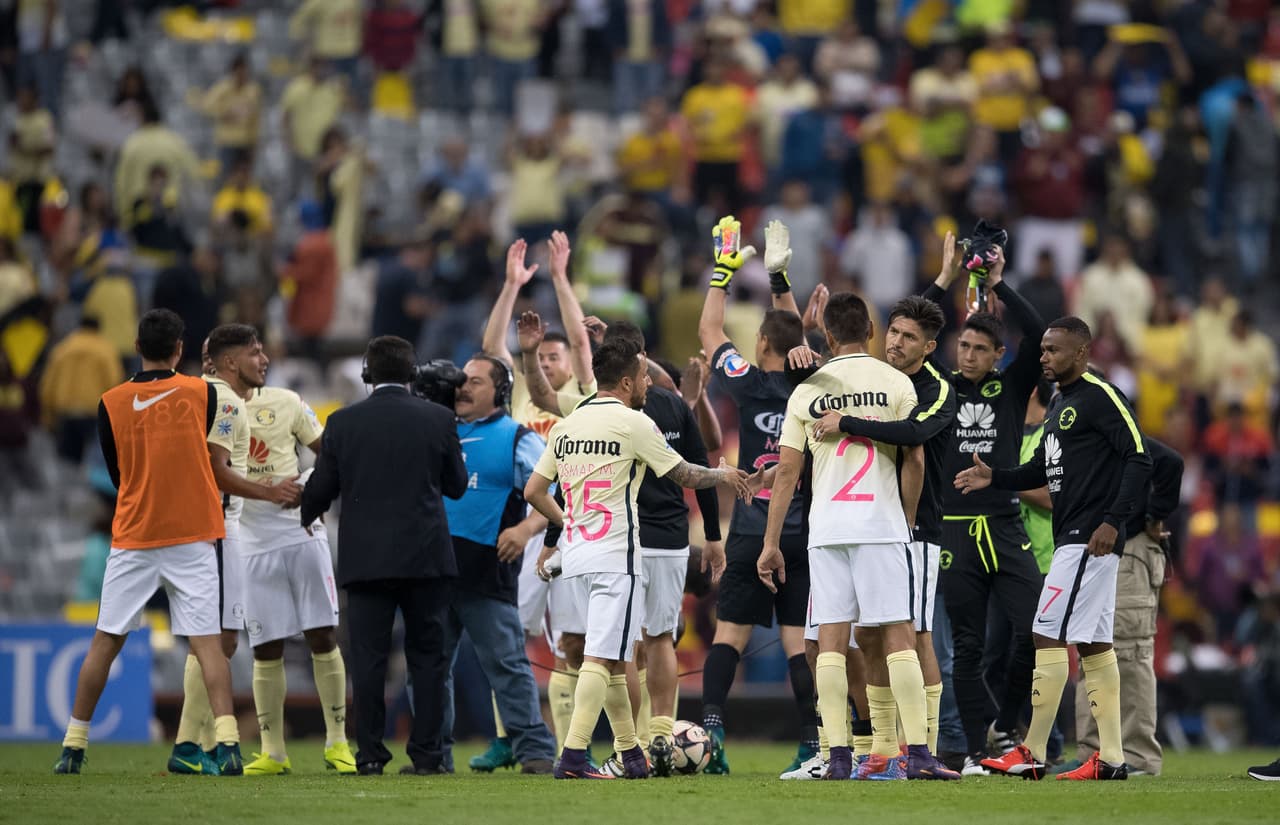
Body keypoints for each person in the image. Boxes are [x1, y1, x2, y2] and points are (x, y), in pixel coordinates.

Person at [523, 337, 751, 779]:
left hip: (579, 555)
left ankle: (630, 751)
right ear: (627, 382)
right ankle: (573, 756)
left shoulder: (569, 425)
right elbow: (684, 472)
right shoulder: (632, 422)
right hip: (617, 554)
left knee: (610, 654)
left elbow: (534, 491)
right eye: (645, 376)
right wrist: (724, 474)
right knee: (602, 657)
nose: (650, 383)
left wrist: (568, 524)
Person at [760, 291, 959, 782]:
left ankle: (839, 756)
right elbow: (914, 456)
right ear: (871, 331)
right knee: (898, 635)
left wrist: (769, 544)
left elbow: (786, 473)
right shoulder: (895, 383)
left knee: (829, 640)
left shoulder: (807, 389)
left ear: (827, 336)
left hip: (826, 528)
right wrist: (906, 520)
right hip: (881, 525)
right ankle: (917, 753)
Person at [957, 316, 1153, 781]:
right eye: (1042, 349)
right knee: (1093, 645)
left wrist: (1112, 520)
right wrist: (995, 476)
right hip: (1075, 536)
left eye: (1053, 350)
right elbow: (1040, 471)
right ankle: (1111, 758)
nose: (1043, 357)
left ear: (1081, 354)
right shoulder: (1060, 403)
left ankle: (1032, 750)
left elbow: (1140, 457)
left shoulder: (1101, 396)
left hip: (1088, 537)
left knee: (1045, 633)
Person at [54, 310, 240, 776]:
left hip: (135, 533)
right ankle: (230, 743)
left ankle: (73, 746)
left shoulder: (110, 402)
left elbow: (118, 475)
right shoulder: (203, 393)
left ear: (136, 345)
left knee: (105, 640)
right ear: (180, 348)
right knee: (207, 645)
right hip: (192, 531)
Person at [301, 335, 468, 775]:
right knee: (429, 659)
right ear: (413, 374)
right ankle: (429, 756)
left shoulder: (342, 423)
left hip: (367, 560)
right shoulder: (439, 419)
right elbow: (454, 484)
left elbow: (321, 489)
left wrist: (304, 513)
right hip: (426, 558)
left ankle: (371, 754)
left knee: (369, 661)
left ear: (366, 374)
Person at [922, 236, 1047, 775]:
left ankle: (1008, 721)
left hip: (1002, 523)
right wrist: (945, 277)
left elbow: (1041, 334)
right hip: (953, 528)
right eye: (963, 347)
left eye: (979, 349)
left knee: (1034, 629)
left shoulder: (1014, 388)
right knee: (966, 649)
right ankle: (976, 750)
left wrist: (997, 284)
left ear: (999, 355)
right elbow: (910, 331)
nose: (968, 355)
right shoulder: (938, 387)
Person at [696, 216, 814, 775]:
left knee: (731, 636)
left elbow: (710, 335)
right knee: (798, 644)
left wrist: (723, 274)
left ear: (761, 343)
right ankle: (812, 742)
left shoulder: (745, 380)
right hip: (801, 533)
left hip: (748, 529)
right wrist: (780, 278)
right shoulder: (811, 386)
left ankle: (713, 733)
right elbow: (802, 345)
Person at [475, 233, 598, 769]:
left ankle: (574, 740)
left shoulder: (581, 400)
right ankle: (512, 736)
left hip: (568, 529)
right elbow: (489, 351)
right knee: (511, 638)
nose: (545, 362)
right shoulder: (523, 393)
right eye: (540, 355)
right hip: (518, 533)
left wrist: (562, 279)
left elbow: (579, 336)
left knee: (573, 641)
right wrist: (510, 287)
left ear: (571, 362)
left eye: (555, 355)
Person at [171, 326, 302, 776]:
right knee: (221, 638)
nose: (263, 359)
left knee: (215, 638)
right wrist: (270, 493)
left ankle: (196, 745)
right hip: (218, 528)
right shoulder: (225, 401)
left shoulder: (191, 393)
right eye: (255, 352)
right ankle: (193, 744)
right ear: (229, 363)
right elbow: (217, 469)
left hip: (193, 526)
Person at [440, 355, 558, 775]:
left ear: (500, 391)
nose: (463, 388)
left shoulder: (517, 438)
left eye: (475, 381)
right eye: (460, 380)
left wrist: (526, 530)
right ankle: (432, 756)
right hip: (434, 573)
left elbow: (553, 493)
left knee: (507, 665)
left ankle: (535, 752)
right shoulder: (440, 432)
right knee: (430, 668)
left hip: (486, 572)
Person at [237, 370, 355, 776]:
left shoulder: (286, 401)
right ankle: (273, 752)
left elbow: (330, 452)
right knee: (265, 645)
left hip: (300, 531)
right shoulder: (210, 407)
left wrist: (311, 488)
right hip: (250, 541)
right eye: (253, 353)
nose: (263, 359)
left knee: (321, 633)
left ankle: (337, 743)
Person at [1074, 430, 1183, 776]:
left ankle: (1137, 755)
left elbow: (1171, 462)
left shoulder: (1114, 426)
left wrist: (1152, 516)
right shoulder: (1073, 422)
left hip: (1131, 552)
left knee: (1132, 653)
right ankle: (1093, 753)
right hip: (1094, 552)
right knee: (1092, 650)